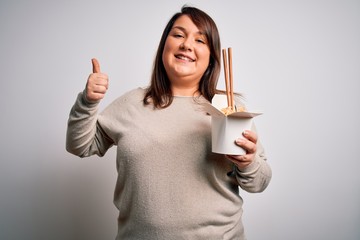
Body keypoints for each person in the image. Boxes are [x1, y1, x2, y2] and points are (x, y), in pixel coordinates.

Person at [66, 6, 271, 240]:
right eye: (178, 35)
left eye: (200, 40)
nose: (186, 45)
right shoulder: (132, 103)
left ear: (212, 59)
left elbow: (260, 182)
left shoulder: (228, 109)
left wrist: (248, 162)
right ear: (165, 46)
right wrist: (88, 102)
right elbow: (80, 146)